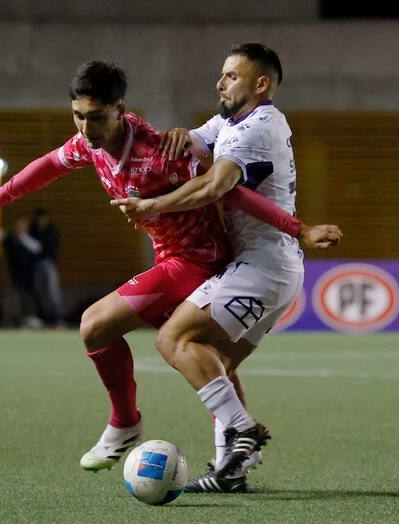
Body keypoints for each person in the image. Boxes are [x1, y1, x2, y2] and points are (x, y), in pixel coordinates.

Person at [0, 60, 338, 473]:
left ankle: (126, 424)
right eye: (78, 116)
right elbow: (50, 163)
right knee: (212, 360)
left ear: (120, 109)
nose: (86, 129)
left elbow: (228, 192)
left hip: (197, 258)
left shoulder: (158, 153)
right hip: (172, 257)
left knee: (94, 324)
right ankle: (238, 457)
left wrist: (297, 228)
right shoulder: (89, 143)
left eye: (96, 117)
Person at [112, 43, 342, 493]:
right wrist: (181, 135)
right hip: (275, 268)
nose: (220, 83)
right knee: (216, 364)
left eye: (232, 76)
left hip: (263, 267)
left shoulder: (253, 129)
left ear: (261, 84)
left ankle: (243, 431)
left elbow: (214, 186)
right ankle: (229, 471)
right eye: (221, 75)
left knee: (173, 338)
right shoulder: (234, 121)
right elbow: (194, 142)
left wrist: (152, 205)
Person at [3, 216, 44, 328]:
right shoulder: (11, 239)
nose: (20, 228)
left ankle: (30, 319)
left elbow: (37, 249)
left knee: (29, 299)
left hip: (29, 277)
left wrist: (22, 238)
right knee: (15, 300)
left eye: (22, 226)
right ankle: (15, 321)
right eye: (18, 226)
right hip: (16, 276)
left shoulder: (30, 240)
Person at [30, 208, 66, 326]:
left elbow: (48, 247)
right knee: (38, 290)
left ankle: (58, 318)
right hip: (37, 264)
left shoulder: (52, 230)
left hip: (49, 263)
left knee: (53, 290)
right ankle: (42, 317)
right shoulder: (33, 230)